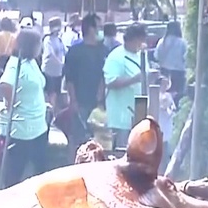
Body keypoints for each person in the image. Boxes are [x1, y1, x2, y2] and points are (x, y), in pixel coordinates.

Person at [0, 28, 50, 189]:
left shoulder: (32, 62)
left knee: (41, 170)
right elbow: (5, 83)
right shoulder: (15, 63)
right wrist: (12, 103)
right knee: (14, 174)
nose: (40, 47)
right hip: (21, 129)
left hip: (38, 126)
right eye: (38, 44)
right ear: (30, 45)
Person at [61, 14, 106, 151]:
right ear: (91, 29)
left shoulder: (104, 50)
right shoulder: (75, 52)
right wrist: (73, 100)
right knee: (78, 138)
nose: (101, 30)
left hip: (99, 103)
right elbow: (69, 79)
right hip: (80, 101)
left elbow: (105, 76)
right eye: (99, 27)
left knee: (99, 140)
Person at [103, 23, 148, 149]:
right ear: (133, 39)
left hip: (139, 113)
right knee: (122, 152)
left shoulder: (140, 55)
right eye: (140, 40)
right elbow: (110, 82)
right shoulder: (116, 57)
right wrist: (134, 80)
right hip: (121, 118)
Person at [154, 21, 187, 101]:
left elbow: (156, 56)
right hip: (178, 73)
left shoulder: (162, 42)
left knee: (163, 95)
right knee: (178, 96)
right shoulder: (182, 42)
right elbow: (186, 58)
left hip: (164, 72)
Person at [42, 17, 66, 108]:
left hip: (58, 71)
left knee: (57, 93)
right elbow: (51, 54)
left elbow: (64, 51)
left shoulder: (59, 39)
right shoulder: (48, 39)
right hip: (49, 70)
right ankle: (51, 112)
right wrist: (60, 62)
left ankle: (54, 112)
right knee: (52, 94)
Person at [156, 76, 177, 173]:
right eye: (162, 84)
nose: (164, 86)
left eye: (166, 84)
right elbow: (162, 106)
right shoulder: (155, 94)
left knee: (165, 155)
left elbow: (172, 108)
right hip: (158, 128)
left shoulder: (168, 96)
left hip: (166, 129)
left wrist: (170, 108)